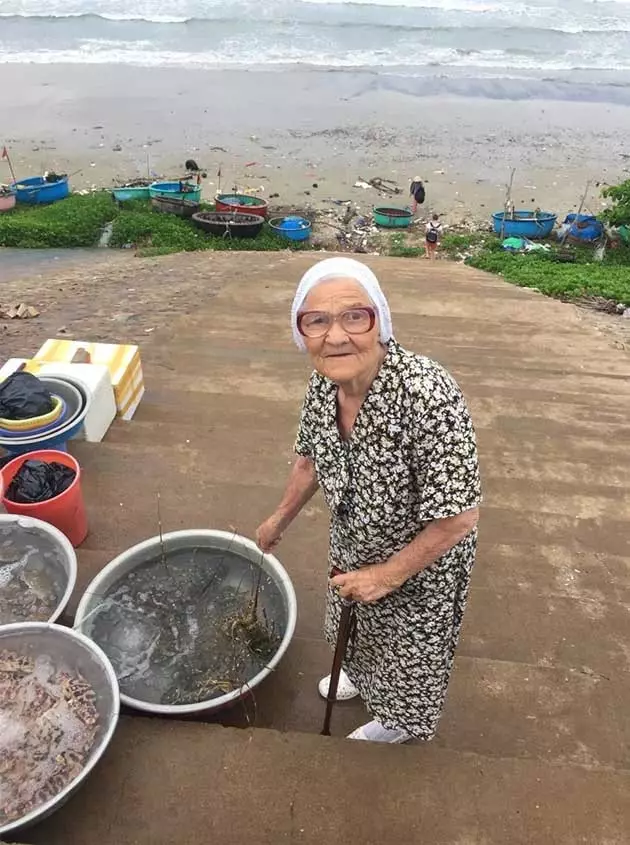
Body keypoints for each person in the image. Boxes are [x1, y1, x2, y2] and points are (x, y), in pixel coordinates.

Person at [256, 257, 481, 744]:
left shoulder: (428, 393)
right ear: (302, 333)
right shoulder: (324, 384)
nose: (335, 336)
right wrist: (279, 519)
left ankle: (399, 722)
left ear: (380, 321)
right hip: (353, 540)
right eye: (316, 321)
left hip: (421, 561)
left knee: (408, 647)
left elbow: (459, 517)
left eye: (355, 317)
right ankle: (358, 672)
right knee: (351, 617)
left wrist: (387, 575)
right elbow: (311, 459)